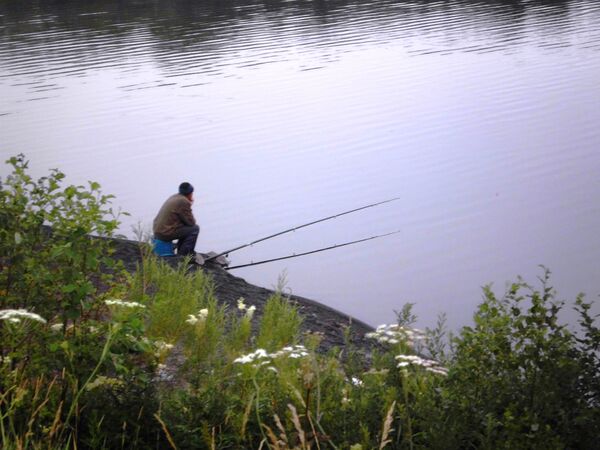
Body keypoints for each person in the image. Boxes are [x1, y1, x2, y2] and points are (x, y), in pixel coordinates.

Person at [153, 182, 199, 256]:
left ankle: (181, 251)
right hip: (165, 234)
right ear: (190, 193)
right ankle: (185, 255)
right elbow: (191, 223)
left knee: (186, 228)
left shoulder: (174, 197)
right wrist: (190, 204)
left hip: (157, 232)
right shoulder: (184, 201)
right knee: (195, 229)